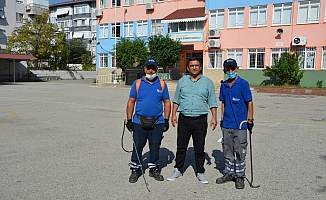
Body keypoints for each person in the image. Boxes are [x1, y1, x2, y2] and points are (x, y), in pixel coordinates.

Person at [167, 57, 218, 184]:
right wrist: (173, 115)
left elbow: (212, 101)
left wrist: (214, 118)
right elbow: (176, 99)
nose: (194, 67)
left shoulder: (207, 82)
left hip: (200, 120)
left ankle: (200, 171)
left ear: (200, 67)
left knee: (199, 148)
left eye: (196, 65)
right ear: (188, 68)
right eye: (191, 65)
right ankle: (178, 169)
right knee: (181, 147)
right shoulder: (182, 81)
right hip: (184, 119)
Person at [126, 58, 171, 183]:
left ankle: (153, 169)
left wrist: (166, 119)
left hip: (157, 121)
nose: (151, 71)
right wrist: (129, 120)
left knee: (155, 145)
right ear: (144, 69)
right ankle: (135, 169)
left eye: (153, 68)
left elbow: (167, 102)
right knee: (138, 145)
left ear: (157, 69)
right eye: (148, 68)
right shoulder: (137, 83)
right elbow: (131, 102)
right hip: (139, 120)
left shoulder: (162, 84)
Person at [216, 58, 254, 189]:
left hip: (241, 125)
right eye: (228, 69)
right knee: (227, 150)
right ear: (225, 70)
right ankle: (229, 173)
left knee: (240, 150)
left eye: (232, 69)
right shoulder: (224, 85)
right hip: (227, 124)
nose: (230, 71)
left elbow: (249, 102)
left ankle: (240, 176)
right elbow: (223, 103)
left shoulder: (243, 84)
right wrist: (222, 119)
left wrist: (250, 120)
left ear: (237, 69)